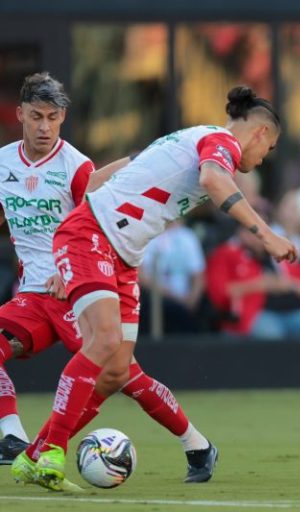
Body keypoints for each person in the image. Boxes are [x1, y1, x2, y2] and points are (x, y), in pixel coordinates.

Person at [15, 85, 297, 491]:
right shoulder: (220, 143)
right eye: (267, 150)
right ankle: (53, 453)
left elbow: (100, 179)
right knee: (104, 340)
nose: (261, 158)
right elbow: (213, 179)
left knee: (115, 372)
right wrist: (266, 234)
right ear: (261, 134)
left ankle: (34, 455)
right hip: (92, 237)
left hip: (124, 257)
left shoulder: (190, 138)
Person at [0, 73, 217, 487]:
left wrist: (69, 269)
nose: (44, 127)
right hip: (32, 296)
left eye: (52, 118)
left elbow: (90, 224)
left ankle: (196, 443)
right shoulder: (3, 163)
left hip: (73, 288)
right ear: (20, 114)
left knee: (122, 375)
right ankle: (13, 439)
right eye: (36, 117)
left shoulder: (75, 166)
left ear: (63, 118)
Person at [206, 225, 300, 340]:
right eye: (255, 232)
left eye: (263, 231)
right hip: (256, 311)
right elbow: (220, 293)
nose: (259, 238)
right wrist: (264, 284)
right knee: (272, 335)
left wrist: (290, 285)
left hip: (292, 309)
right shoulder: (227, 253)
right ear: (242, 233)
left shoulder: (274, 252)